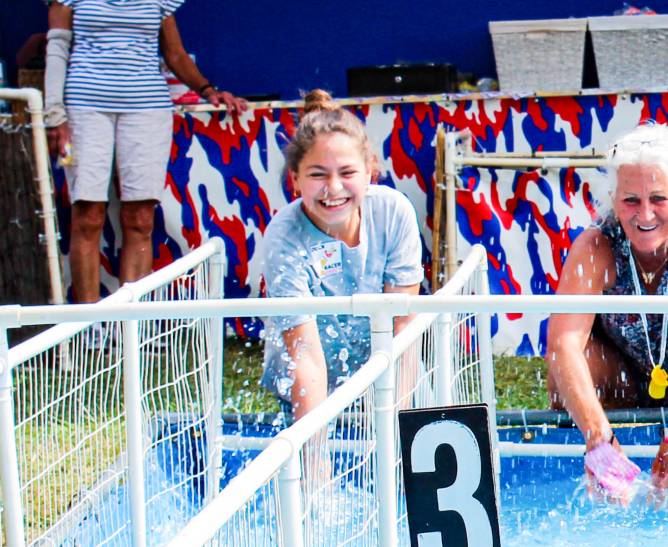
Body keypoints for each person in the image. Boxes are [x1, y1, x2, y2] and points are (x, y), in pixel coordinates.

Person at [547, 122, 668, 509]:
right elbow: (562, 345)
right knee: (562, 371)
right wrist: (598, 439)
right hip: (628, 383)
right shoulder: (597, 243)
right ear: (614, 200)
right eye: (631, 201)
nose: (645, 214)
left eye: (658, 199)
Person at [43, 0, 246, 305]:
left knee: (140, 218)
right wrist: (54, 114)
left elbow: (174, 52)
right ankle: (86, 328)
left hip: (148, 108)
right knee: (87, 216)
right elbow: (57, 50)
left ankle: (130, 325)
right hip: (84, 107)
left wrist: (208, 89)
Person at [257, 91, 424, 421]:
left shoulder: (393, 212)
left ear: (369, 172)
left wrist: (400, 427)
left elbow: (402, 331)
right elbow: (305, 359)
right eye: (317, 174)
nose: (333, 188)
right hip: (307, 382)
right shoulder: (284, 235)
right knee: (315, 459)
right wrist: (315, 461)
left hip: (386, 371)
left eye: (347, 173)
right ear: (295, 180)